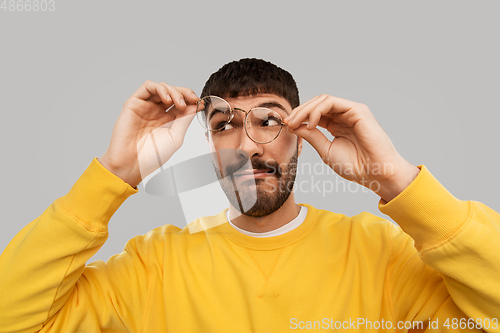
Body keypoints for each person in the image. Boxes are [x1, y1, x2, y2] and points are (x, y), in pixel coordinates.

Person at [0, 58, 499, 332]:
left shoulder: (379, 254)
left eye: (270, 121)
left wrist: (394, 179)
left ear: (303, 132)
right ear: (208, 145)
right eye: (224, 126)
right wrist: (115, 173)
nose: (247, 146)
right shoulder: (153, 266)